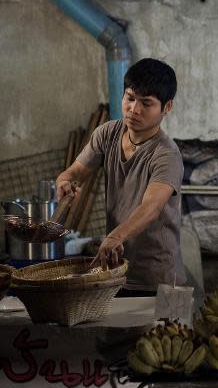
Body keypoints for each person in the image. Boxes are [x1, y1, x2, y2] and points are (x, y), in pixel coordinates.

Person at [56, 58, 185, 296]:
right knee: (115, 332)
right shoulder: (108, 133)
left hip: (159, 279)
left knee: (162, 333)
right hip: (116, 270)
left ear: (166, 108)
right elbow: (77, 171)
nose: (134, 109)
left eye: (146, 103)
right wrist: (65, 180)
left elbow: (152, 207)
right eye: (130, 98)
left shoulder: (167, 154)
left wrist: (115, 236)